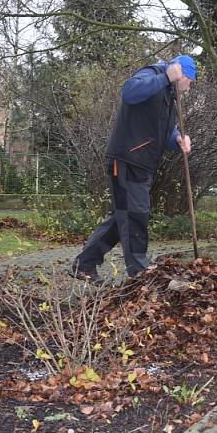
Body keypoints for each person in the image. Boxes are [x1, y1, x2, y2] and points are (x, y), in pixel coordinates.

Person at [71, 55, 195, 284]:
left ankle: (85, 264)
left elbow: (165, 131)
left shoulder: (168, 97)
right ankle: (140, 274)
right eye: (190, 82)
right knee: (135, 215)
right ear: (181, 74)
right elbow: (129, 92)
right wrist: (166, 76)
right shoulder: (154, 74)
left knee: (122, 218)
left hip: (141, 163)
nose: (188, 89)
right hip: (128, 159)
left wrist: (178, 139)